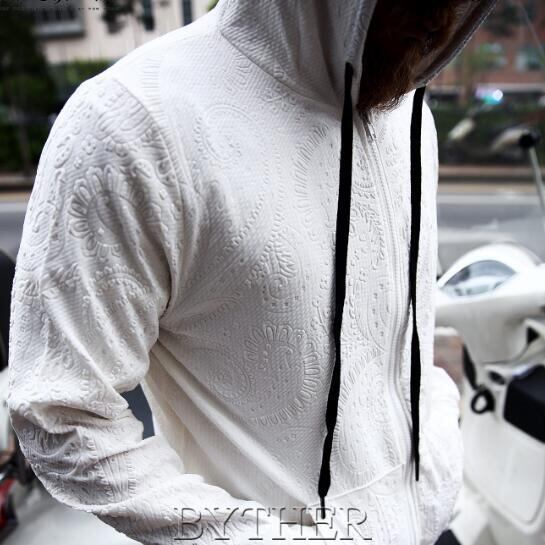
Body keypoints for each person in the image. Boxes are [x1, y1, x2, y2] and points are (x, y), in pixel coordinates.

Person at [7, 0, 498, 544]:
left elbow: (403, 329)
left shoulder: (407, 111)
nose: (441, 21)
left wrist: (437, 464)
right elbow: (60, 412)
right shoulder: (131, 124)